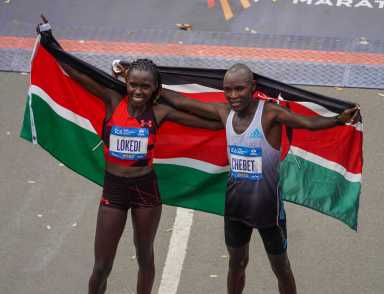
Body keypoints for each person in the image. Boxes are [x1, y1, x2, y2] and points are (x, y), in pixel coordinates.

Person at [37, 17, 222, 294]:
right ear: (126, 81)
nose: (137, 91)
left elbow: (211, 120)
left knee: (145, 255)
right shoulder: (113, 100)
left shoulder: (160, 111)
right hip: (114, 189)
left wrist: (244, 118)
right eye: (133, 84)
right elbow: (76, 72)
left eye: (145, 87)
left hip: (146, 190)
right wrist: (50, 42)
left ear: (154, 89)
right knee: (102, 265)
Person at [161, 63, 359, 294]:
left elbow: (308, 123)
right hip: (236, 208)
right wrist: (154, 87)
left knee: (281, 267)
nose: (233, 96)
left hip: (268, 211)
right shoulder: (224, 113)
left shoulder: (270, 114)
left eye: (239, 89)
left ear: (252, 87)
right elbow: (184, 103)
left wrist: (338, 119)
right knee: (236, 264)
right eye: (228, 90)